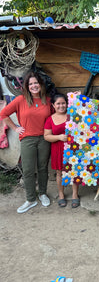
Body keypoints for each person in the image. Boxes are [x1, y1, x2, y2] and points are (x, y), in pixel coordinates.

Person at [0, 72, 52, 213]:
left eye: (36, 83)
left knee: (42, 168)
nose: (34, 86)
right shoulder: (20, 100)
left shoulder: (47, 100)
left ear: (40, 84)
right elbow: (3, 114)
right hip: (27, 138)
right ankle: (30, 199)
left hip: (44, 139)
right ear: (27, 87)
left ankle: (42, 193)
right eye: (31, 84)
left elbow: (55, 116)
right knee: (28, 169)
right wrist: (15, 128)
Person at [44, 93, 80, 208]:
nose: (61, 106)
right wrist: (59, 137)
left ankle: (75, 194)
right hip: (58, 149)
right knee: (59, 172)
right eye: (58, 103)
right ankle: (61, 194)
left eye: (63, 103)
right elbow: (46, 136)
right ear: (53, 105)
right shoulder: (50, 119)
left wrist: (78, 97)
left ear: (67, 104)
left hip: (73, 149)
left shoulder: (73, 115)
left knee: (73, 171)